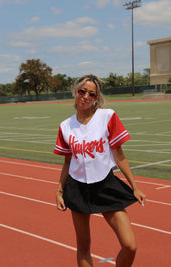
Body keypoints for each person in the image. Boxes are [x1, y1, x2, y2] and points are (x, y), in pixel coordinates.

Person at [54, 74, 146, 267]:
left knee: (130, 245)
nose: (86, 96)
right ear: (75, 92)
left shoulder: (107, 116)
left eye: (92, 94)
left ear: (97, 98)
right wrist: (59, 190)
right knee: (83, 246)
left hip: (105, 184)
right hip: (77, 187)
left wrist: (134, 186)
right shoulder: (65, 126)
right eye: (82, 91)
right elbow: (67, 161)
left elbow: (119, 154)